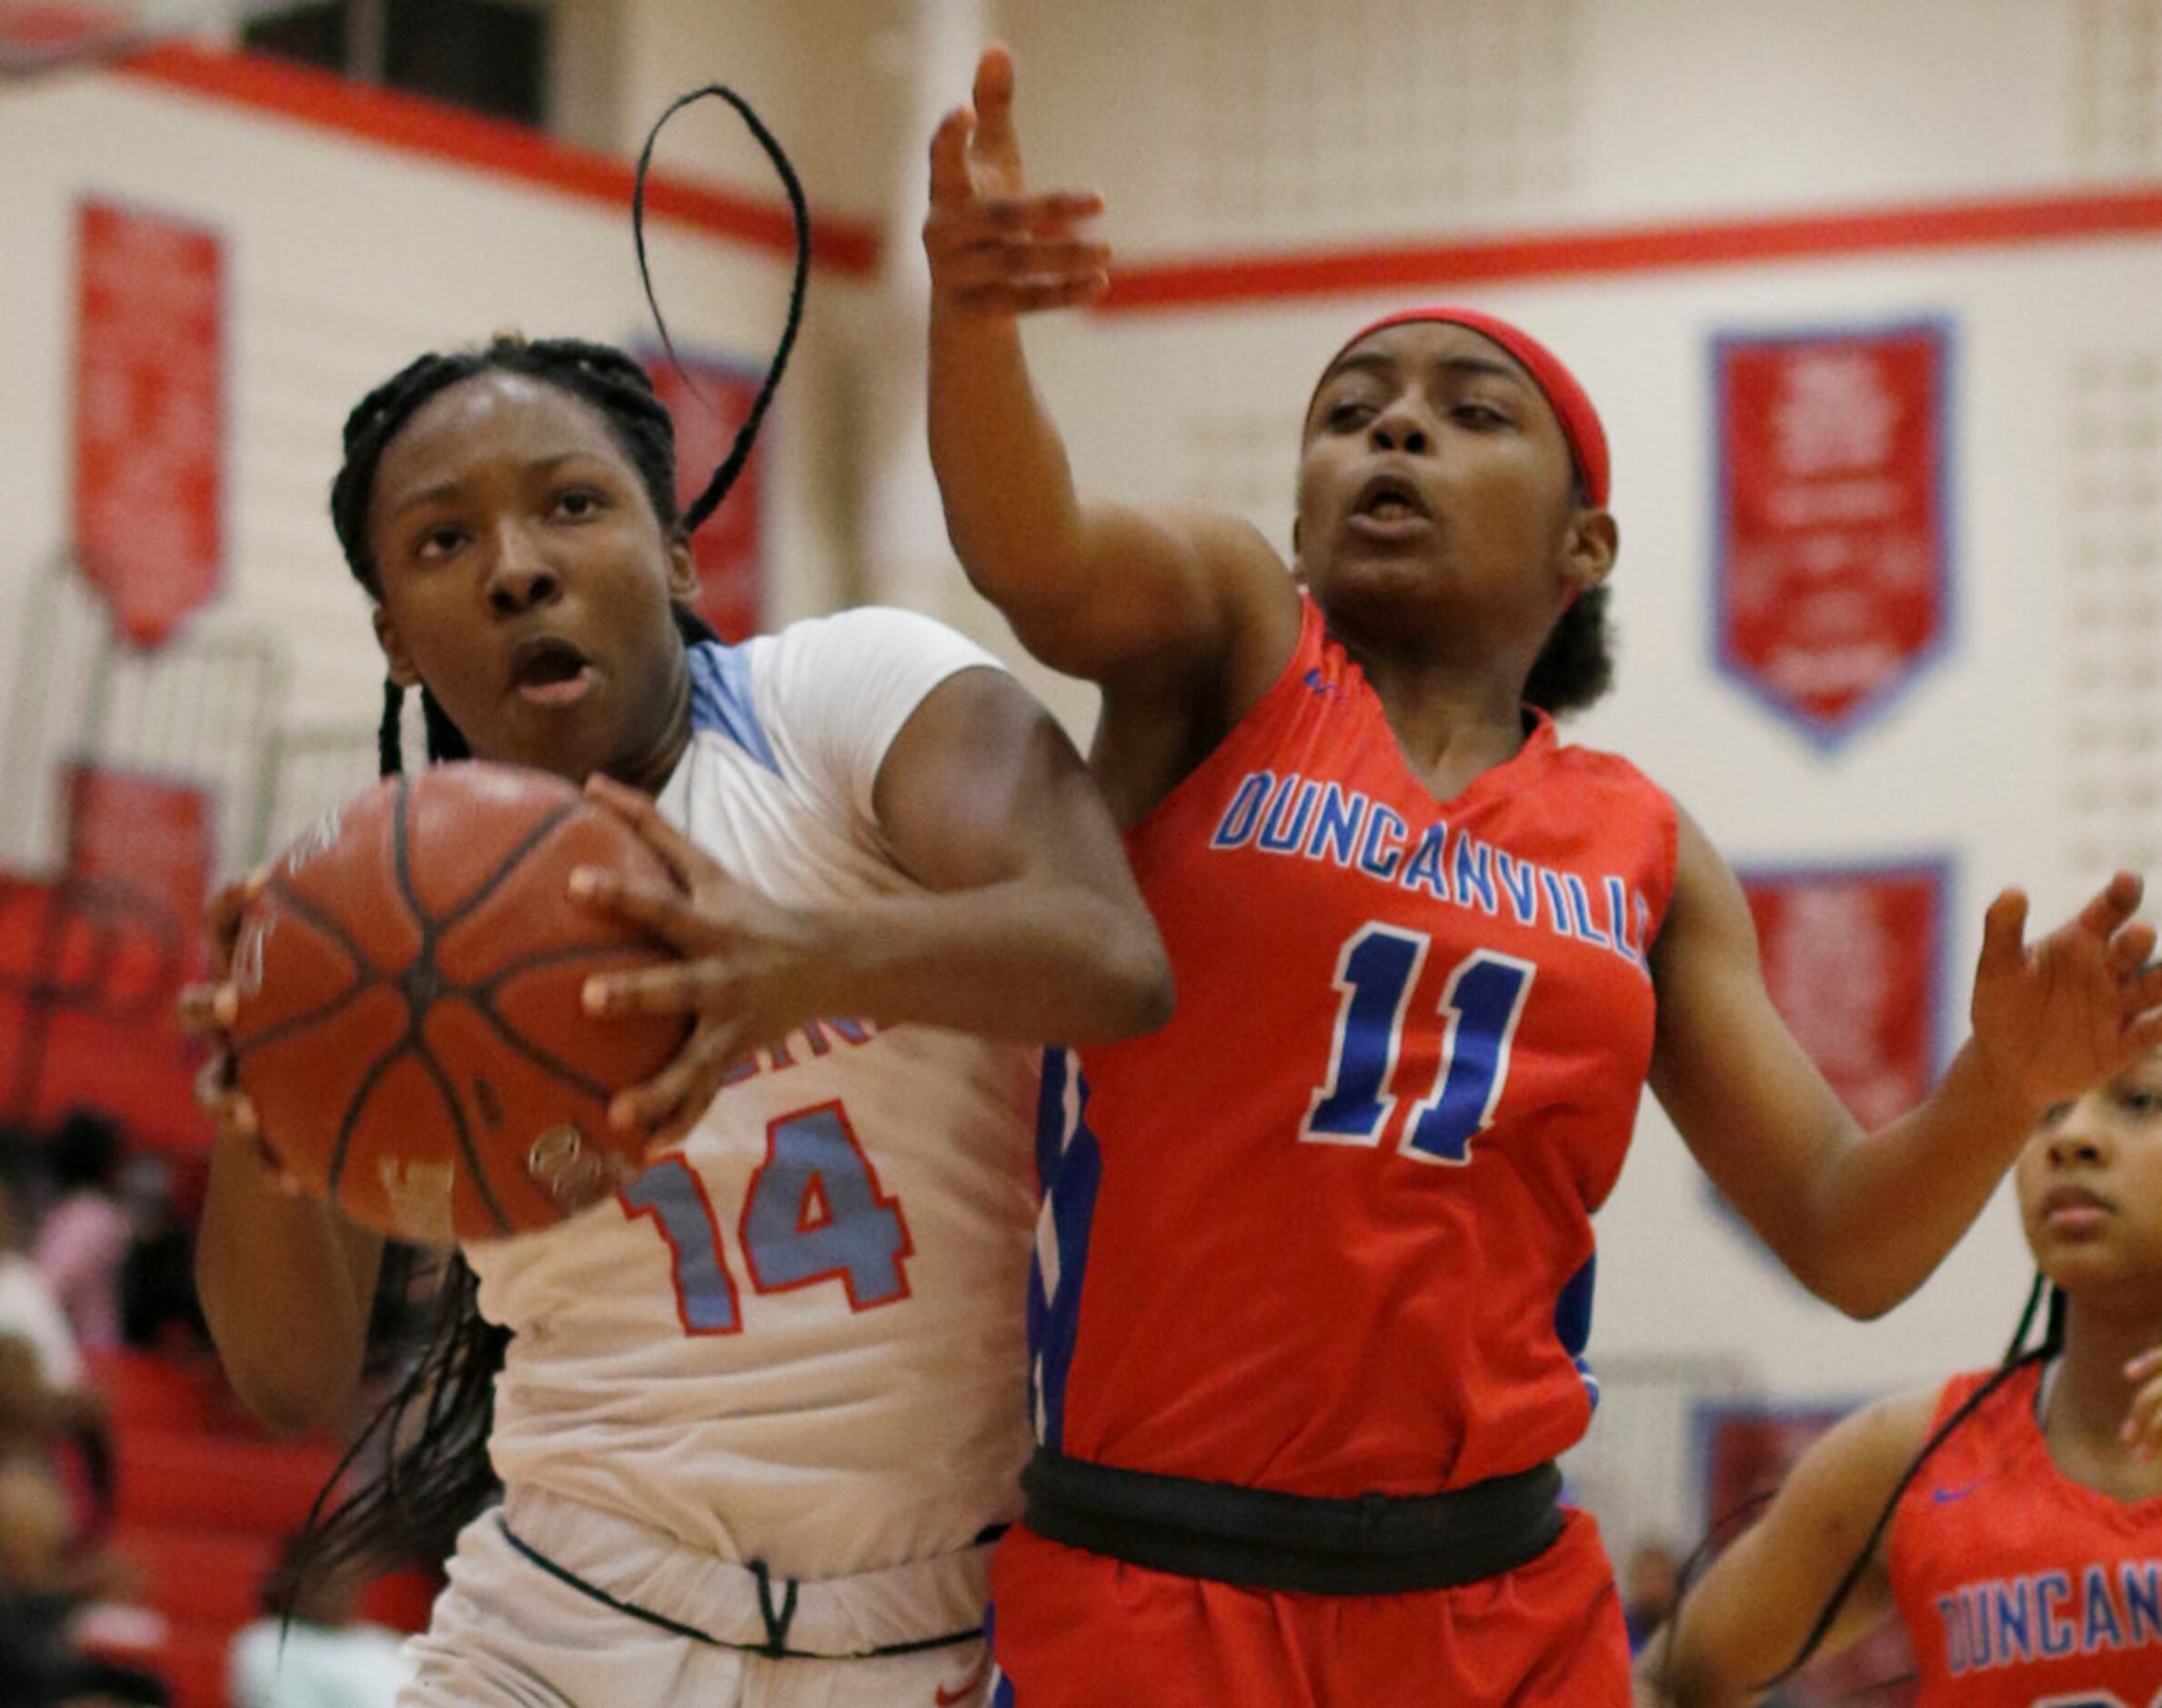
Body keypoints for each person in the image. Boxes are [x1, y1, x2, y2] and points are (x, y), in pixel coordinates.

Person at [920, 43, 2162, 1706]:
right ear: (1294, 516)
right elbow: (1034, 547)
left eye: (1463, 412)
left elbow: (1844, 1235)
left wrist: (1999, 1085)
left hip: (1492, 1605)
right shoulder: (1231, 642)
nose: (1395, 433)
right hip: (1160, 1580)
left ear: (1584, 543)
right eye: (1349, 414)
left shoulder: (1644, 846)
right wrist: (974, 319)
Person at [183, 153, 1172, 1708]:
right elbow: (290, 1379)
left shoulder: (845, 699)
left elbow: (1112, 958)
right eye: (442, 544)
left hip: (926, 1627)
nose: (515, 565)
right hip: (565, 1614)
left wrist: (798, 959)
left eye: (571, 507)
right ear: (392, 631)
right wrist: (259, 1101)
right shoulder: (365, 912)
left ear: (674, 552)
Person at [1635, 1046, 2162, 1705]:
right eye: (2048, 1109)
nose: (2072, 1137)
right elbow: (1666, 1681)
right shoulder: (1911, 1458)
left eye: (2140, 1101)